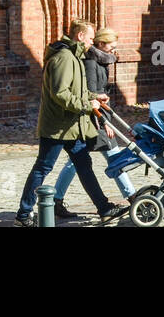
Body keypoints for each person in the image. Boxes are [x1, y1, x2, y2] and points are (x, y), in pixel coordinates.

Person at [15, 19, 129, 226]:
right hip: (57, 127)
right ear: (80, 36)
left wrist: (94, 96)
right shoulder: (64, 58)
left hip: (71, 126)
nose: (92, 42)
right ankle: (23, 216)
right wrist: (87, 105)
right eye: (91, 38)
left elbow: (76, 90)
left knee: (84, 165)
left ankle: (104, 208)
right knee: (43, 168)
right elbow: (61, 94)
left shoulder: (74, 57)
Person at [51, 28, 136, 219]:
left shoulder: (100, 61)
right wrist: (104, 121)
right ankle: (132, 196)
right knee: (113, 156)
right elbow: (90, 94)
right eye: (111, 47)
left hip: (96, 116)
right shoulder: (90, 63)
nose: (114, 51)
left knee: (77, 161)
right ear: (100, 44)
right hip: (93, 119)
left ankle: (56, 199)